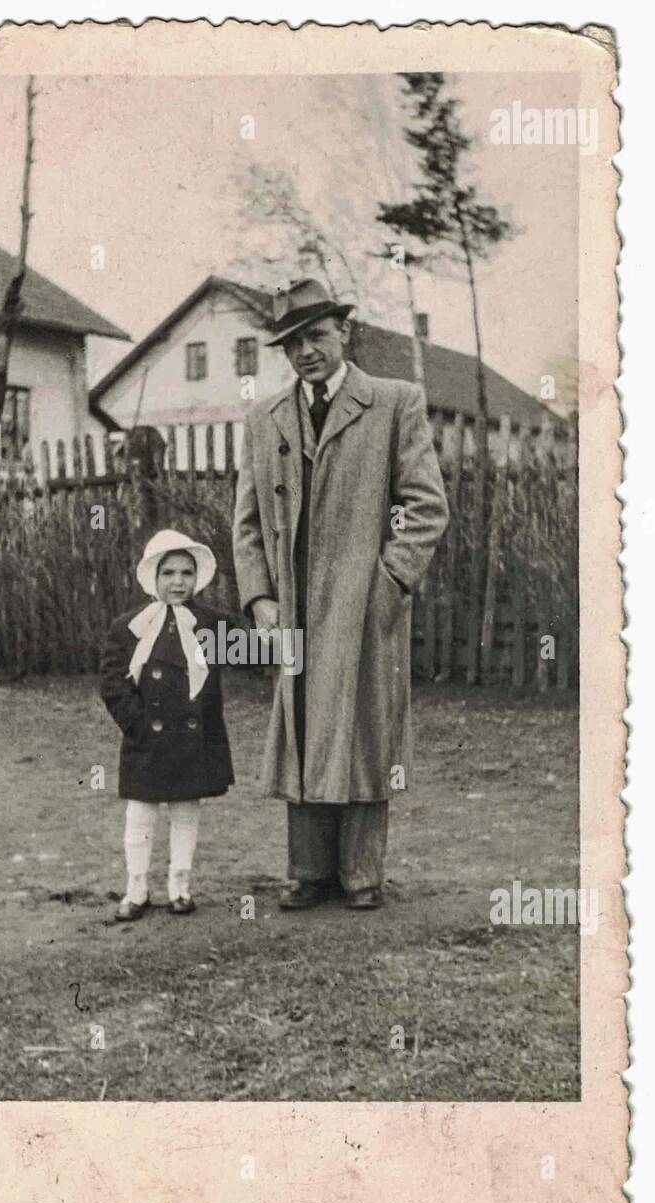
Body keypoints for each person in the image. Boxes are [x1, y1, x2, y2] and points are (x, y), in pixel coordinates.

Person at [232, 278, 449, 910]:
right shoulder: (264, 417)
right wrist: (259, 600)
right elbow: (246, 521)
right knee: (302, 728)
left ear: (343, 333)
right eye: (293, 343)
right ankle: (309, 872)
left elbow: (424, 505)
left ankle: (360, 875)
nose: (306, 352)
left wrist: (389, 580)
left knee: (363, 729)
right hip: (293, 605)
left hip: (363, 602)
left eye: (317, 336)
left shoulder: (392, 402)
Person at [100, 528, 234, 921]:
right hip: (147, 738)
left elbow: (254, 651)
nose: (178, 582)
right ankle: (136, 887)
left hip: (192, 739)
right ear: (153, 578)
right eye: (169, 573)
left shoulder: (210, 623)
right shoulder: (129, 626)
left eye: (187, 573)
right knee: (140, 814)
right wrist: (136, 724)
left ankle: (180, 884)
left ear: (199, 578)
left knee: (186, 810)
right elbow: (112, 682)